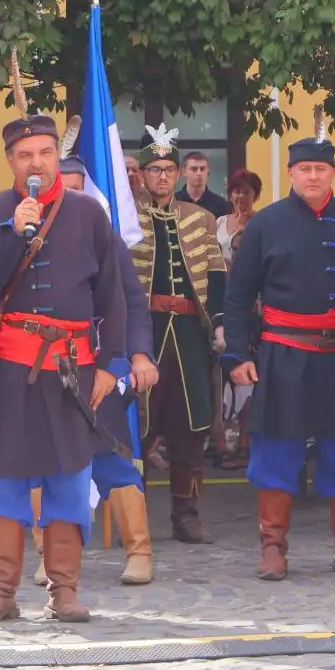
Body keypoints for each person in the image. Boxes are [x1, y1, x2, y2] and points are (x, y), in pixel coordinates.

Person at [0, 109, 126, 623]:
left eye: (46, 153)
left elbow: (112, 294)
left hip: (73, 368)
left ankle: (64, 591)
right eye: (26, 155)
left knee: (70, 478)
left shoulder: (89, 214)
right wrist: (13, 234)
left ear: (57, 156)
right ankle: (0, 594)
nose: (38, 162)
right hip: (10, 369)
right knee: (3, 479)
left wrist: (111, 364)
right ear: (11, 161)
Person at [221, 126, 335, 582]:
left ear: (333, 173)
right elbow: (238, 297)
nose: (313, 177)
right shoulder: (265, 226)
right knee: (275, 450)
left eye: (321, 169)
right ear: (290, 173)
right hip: (283, 353)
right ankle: (273, 548)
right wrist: (237, 354)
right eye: (304, 169)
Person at [39, 145, 159, 586]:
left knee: (109, 456)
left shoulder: (103, 239)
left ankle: (139, 552)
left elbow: (131, 303)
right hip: (44, 365)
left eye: (76, 190)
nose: (67, 198)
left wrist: (139, 355)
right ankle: (48, 555)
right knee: (44, 459)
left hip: (100, 364)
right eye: (61, 189)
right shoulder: (30, 235)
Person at [136, 126, 228, 543]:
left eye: (167, 169)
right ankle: (130, 516)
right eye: (153, 169)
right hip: (144, 330)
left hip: (190, 331)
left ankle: (186, 516)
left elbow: (217, 276)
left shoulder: (201, 218)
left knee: (191, 427)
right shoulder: (124, 219)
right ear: (141, 173)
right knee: (138, 423)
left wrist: (222, 322)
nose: (161, 176)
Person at [215, 169, 263, 267]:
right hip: (223, 280)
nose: (241, 196)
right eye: (237, 191)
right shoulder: (220, 222)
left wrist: (242, 230)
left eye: (246, 192)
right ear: (231, 195)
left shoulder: (263, 222)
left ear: (255, 196)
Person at [179, 150, 232, 219]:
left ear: (208, 171)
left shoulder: (221, 204)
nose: (199, 173)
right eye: (194, 169)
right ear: (184, 172)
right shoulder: (173, 202)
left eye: (202, 169)